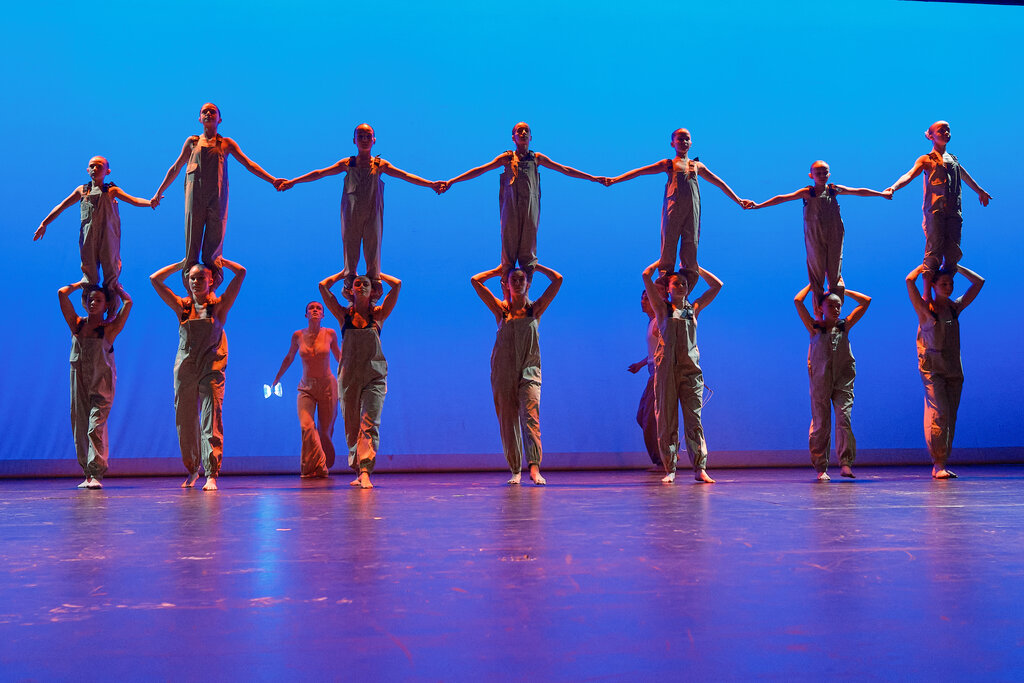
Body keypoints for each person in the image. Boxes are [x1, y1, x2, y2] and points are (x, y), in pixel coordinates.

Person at [279, 124, 443, 296]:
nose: (364, 139)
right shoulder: (348, 163)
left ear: (374, 140)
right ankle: (350, 280)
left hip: (372, 213)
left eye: (368, 136)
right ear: (354, 140)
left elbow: (405, 175)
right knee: (350, 247)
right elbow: (320, 173)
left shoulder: (379, 165)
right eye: (360, 136)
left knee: (373, 247)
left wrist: (430, 184)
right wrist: (293, 181)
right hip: (351, 214)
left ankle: (374, 282)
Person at [445, 122, 605, 283]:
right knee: (508, 251)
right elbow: (481, 169)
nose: (523, 133)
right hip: (511, 206)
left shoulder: (537, 158)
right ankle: (507, 292)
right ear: (513, 137)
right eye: (519, 131)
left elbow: (564, 169)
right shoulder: (507, 158)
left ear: (531, 137)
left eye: (526, 130)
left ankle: (525, 292)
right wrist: (452, 181)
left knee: (527, 254)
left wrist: (592, 178)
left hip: (530, 206)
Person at [151, 103, 280, 288]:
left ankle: (211, 287)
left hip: (217, 198)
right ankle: (191, 287)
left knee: (214, 246)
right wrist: (159, 192)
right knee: (192, 244)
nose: (208, 114)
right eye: (204, 111)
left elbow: (249, 164)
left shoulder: (226, 143)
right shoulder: (192, 142)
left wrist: (272, 180)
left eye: (213, 111)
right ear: (199, 118)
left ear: (220, 119)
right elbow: (176, 167)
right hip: (195, 197)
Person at [609, 129, 754, 290]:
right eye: (680, 139)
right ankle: (664, 283)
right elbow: (640, 171)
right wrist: (615, 180)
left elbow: (719, 183)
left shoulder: (697, 166)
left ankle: (687, 283)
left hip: (692, 210)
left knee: (691, 243)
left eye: (687, 139)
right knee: (669, 242)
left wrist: (738, 200)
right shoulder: (668, 164)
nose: (684, 142)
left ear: (691, 143)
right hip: (673, 207)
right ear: (673, 143)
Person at [150, 257, 246, 491]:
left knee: (211, 418)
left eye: (201, 277)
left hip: (211, 364)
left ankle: (211, 473)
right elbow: (155, 279)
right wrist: (181, 264)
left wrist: (220, 261)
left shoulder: (219, 305)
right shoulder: (182, 306)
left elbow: (241, 272)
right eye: (192, 278)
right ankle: (192, 469)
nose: (195, 281)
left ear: (211, 280)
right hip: (186, 366)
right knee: (185, 420)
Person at [754, 161, 890, 313]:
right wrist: (759, 205)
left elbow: (858, 191)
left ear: (829, 174)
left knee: (835, 274)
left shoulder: (833, 190)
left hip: (834, 232)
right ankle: (819, 314)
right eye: (818, 173)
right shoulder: (808, 193)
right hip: (815, 235)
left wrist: (881, 194)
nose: (822, 176)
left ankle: (835, 312)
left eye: (825, 172)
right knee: (817, 275)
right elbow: (782, 198)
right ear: (811, 176)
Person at [471, 263, 563, 485]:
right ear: (507, 285)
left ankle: (534, 467)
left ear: (528, 284)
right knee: (507, 419)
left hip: (529, 369)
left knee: (531, 417)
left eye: (522, 279)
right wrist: (499, 270)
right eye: (514, 280)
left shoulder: (535, 309)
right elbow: (475, 281)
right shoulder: (501, 310)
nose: (519, 283)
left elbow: (558, 279)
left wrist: (535, 266)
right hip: (503, 369)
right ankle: (515, 469)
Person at [886, 121, 992, 301]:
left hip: (954, 212)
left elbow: (964, 176)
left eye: (948, 130)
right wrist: (894, 187)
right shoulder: (927, 159)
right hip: (935, 211)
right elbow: (910, 174)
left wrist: (979, 190)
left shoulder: (954, 159)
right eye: (941, 130)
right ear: (930, 135)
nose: (946, 133)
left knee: (952, 252)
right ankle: (927, 293)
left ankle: (943, 295)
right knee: (934, 249)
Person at [35, 156, 153, 316]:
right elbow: (62, 205)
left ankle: (111, 315)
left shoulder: (111, 190)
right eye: (92, 166)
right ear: (87, 170)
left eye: (99, 166)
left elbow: (134, 200)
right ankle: (92, 314)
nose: (95, 169)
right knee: (89, 275)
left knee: (111, 274)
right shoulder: (82, 190)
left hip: (108, 237)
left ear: (107, 171)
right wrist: (44, 223)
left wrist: (150, 202)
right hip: (88, 237)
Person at [319, 270, 402, 489]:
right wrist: (345, 273)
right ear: (350, 291)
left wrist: (376, 273)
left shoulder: (378, 315)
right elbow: (323, 287)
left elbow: (397, 285)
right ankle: (358, 469)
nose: (362, 286)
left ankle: (365, 470)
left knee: (370, 423)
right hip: (349, 376)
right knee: (352, 424)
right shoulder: (343, 315)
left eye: (366, 284)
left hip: (375, 375)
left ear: (373, 290)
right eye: (357, 284)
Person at [641, 261, 721, 483]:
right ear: (668, 288)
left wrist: (697, 268)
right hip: (666, 370)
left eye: (684, 283)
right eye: (676, 283)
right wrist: (662, 263)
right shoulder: (662, 309)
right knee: (667, 419)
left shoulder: (693, 309)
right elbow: (646, 275)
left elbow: (717, 286)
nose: (682, 287)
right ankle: (670, 468)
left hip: (690, 371)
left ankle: (700, 467)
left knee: (694, 419)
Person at [906, 263, 984, 479]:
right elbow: (909, 281)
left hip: (953, 369)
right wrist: (926, 265)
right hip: (933, 369)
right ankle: (938, 463)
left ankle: (942, 461)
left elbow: (979, 282)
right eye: (943, 284)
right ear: (933, 285)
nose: (949, 287)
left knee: (949, 416)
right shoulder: (926, 309)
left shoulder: (954, 308)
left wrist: (956, 266)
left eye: (951, 284)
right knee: (939, 413)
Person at [57, 281, 132, 489]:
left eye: (98, 300)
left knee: (95, 426)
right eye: (90, 299)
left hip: (102, 383)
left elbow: (128, 303)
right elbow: (62, 293)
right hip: (80, 382)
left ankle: (97, 472)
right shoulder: (77, 325)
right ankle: (87, 473)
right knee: (80, 426)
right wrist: (82, 284)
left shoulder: (109, 329)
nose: (93, 303)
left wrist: (117, 289)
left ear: (106, 305)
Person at [794, 285, 871, 481]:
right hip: (821, 380)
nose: (836, 309)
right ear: (820, 307)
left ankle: (845, 463)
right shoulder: (815, 328)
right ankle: (821, 467)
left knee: (844, 419)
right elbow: (798, 301)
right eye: (831, 305)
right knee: (821, 423)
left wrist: (843, 291)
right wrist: (813, 286)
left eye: (838, 306)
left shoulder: (844, 326)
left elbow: (866, 301)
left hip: (843, 379)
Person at [271, 301, 342, 478]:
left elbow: (339, 357)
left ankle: (319, 465)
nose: (315, 310)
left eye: (319, 308)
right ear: (306, 314)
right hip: (306, 387)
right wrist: (277, 378)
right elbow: (289, 357)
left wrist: (350, 376)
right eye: (311, 308)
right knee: (307, 426)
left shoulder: (330, 333)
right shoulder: (298, 335)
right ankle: (313, 467)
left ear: (323, 315)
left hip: (328, 386)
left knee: (325, 432)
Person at [627, 290, 661, 466]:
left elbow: (667, 348)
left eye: (647, 298)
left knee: (649, 418)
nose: (643, 301)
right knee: (643, 416)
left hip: (658, 373)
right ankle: (667, 453)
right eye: (642, 298)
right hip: (651, 371)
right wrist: (641, 364)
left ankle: (662, 459)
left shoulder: (659, 323)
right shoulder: (651, 321)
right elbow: (654, 351)